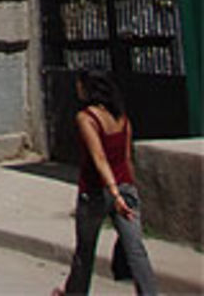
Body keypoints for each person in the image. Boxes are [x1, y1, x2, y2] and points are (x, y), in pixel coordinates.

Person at [52, 70, 158, 296]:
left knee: (85, 252)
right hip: (126, 187)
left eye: (79, 85)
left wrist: (114, 194)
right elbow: (126, 158)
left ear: (89, 88)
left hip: (96, 192)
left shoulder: (86, 118)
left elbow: (98, 158)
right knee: (136, 250)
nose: (77, 89)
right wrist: (130, 193)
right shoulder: (122, 118)